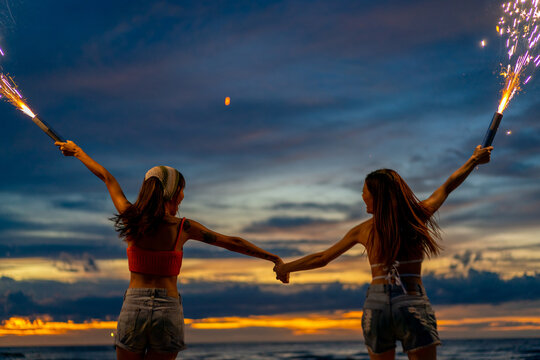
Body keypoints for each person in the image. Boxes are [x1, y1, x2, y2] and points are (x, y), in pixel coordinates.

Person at [56, 140, 287, 360]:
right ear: (172, 191)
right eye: (182, 189)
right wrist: (274, 258)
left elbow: (107, 178)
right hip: (168, 310)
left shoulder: (130, 217)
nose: (183, 195)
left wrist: (77, 152)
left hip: (134, 307)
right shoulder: (183, 227)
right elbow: (231, 242)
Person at [274, 145, 493, 360]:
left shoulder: (362, 230)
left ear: (376, 196)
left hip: (377, 306)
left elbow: (322, 258)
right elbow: (447, 186)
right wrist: (474, 160)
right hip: (411, 301)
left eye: (364, 191)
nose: (362, 196)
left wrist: (286, 267)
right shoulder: (417, 216)